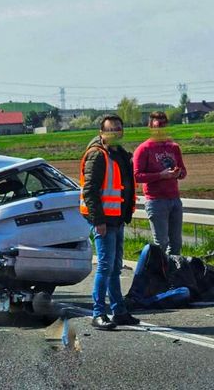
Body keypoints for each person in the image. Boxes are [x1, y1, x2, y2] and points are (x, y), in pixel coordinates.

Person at [80, 114, 140, 330]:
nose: (114, 133)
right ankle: (98, 313)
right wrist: (98, 221)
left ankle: (119, 311)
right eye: (110, 129)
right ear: (101, 133)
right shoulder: (98, 156)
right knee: (105, 267)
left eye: (118, 129)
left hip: (116, 219)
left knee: (115, 267)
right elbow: (90, 190)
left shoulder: (119, 155)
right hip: (104, 220)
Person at [133, 111, 187, 256]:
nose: (161, 129)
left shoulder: (173, 147)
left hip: (174, 199)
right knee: (161, 243)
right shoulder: (144, 149)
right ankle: (156, 273)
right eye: (158, 126)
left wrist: (178, 173)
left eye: (164, 125)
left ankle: (172, 273)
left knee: (176, 243)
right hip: (156, 201)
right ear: (150, 127)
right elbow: (137, 176)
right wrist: (160, 175)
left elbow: (183, 171)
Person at [125, 243, 214, 310]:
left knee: (184, 292)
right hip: (189, 281)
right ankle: (134, 298)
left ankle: (139, 302)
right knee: (149, 248)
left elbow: (187, 292)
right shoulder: (178, 263)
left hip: (198, 290)